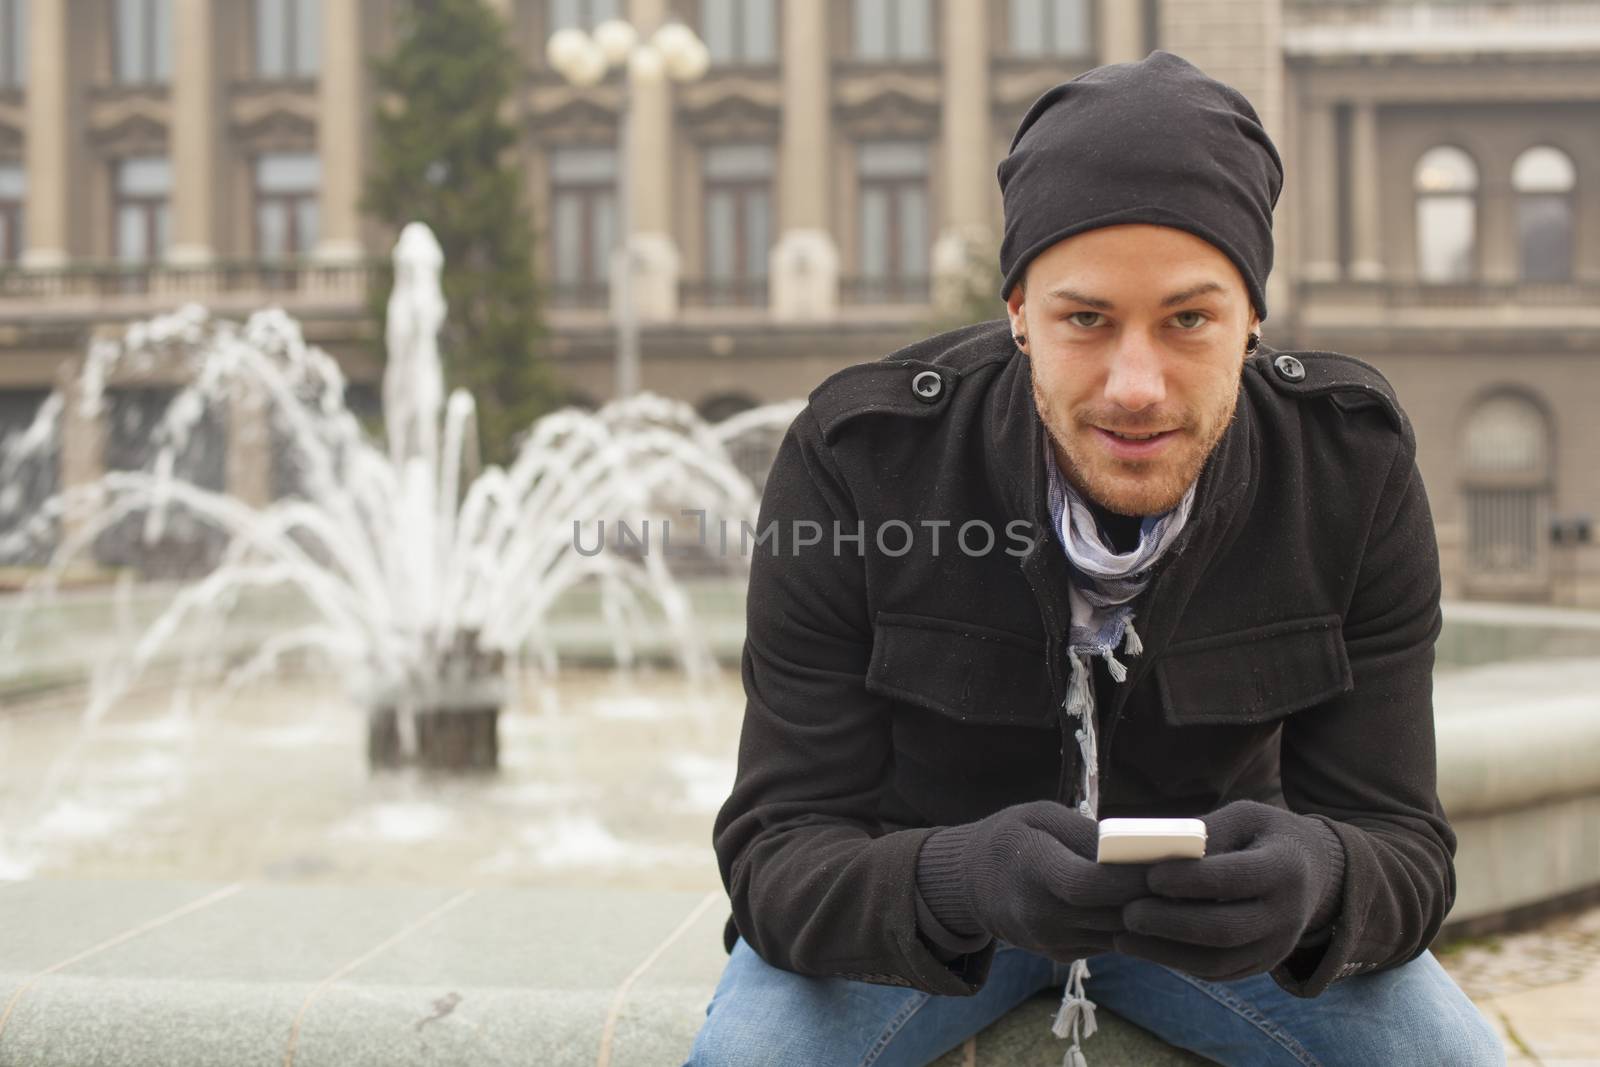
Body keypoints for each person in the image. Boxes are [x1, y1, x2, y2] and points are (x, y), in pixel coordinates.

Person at [685, 50, 1504, 1067]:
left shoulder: (1350, 469)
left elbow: (1406, 848)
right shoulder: (861, 461)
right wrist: (961, 877)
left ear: (1253, 316)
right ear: (1019, 311)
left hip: (1218, 937)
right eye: (1085, 318)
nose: (1134, 384)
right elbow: (774, 852)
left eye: (1188, 319)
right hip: (918, 923)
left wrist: (1319, 877)